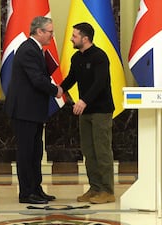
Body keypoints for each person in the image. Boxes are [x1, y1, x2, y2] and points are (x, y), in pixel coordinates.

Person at [3, 16, 63, 204]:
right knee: (26, 152)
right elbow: (37, 79)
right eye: (50, 32)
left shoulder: (35, 49)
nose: (52, 36)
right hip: (24, 111)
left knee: (36, 152)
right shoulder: (28, 50)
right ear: (39, 32)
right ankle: (26, 193)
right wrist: (56, 90)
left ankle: (36, 189)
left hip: (33, 110)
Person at [60, 22, 115, 204]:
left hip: (101, 110)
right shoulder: (76, 58)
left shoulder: (100, 57)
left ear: (85, 38)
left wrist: (83, 100)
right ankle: (95, 188)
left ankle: (107, 191)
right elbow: (71, 79)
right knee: (89, 152)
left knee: (102, 151)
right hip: (85, 112)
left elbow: (99, 83)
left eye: (74, 36)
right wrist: (58, 89)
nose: (71, 39)